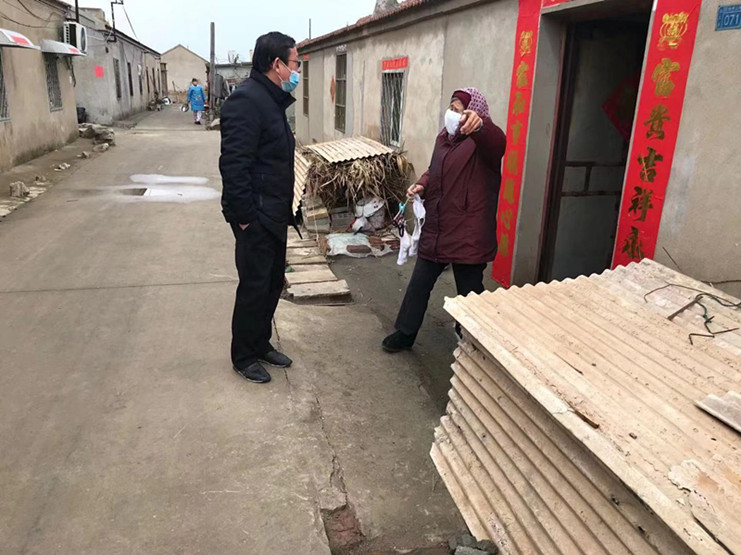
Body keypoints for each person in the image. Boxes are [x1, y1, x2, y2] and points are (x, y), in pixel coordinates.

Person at [382, 88, 507, 353]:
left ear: (474, 113)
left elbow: (498, 144)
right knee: (419, 283)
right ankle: (404, 333)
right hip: (438, 227)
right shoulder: (444, 138)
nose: (452, 113)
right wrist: (422, 185)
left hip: (468, 232)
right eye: (451, 107)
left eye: (459, 109)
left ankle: (474, 341)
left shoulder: (482, 142)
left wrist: (481, 127)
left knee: (470, 294)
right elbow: (435, 170)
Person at [219, 32, 301, 384]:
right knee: (254, 286)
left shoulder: (272, 100)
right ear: (277, 64)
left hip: (274, 212)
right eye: (295, 63)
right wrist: (245, 219)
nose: (297, 71)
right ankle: (243, 355)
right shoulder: (247, 101)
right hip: (256, 215)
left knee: (271, 283)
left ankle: (260, 342)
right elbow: (234, 165)